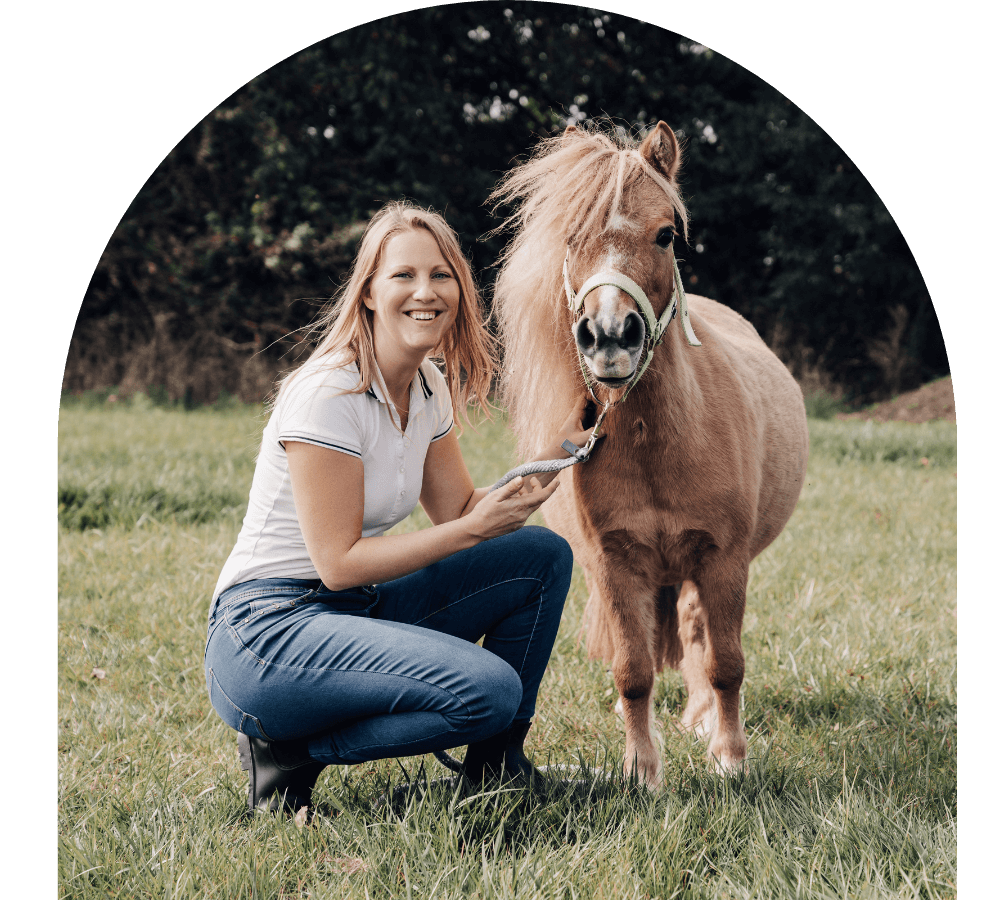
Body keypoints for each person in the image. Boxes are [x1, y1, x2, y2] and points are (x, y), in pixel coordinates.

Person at [204, 201, 598, 815]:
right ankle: (289, 751)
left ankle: (494, 771)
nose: (426, 292)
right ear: (367, 293)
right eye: (403, 276)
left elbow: (461, 508)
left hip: (355, 611)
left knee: (540, 556)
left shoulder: (426, 384)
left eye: (442, 276)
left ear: (461, 290)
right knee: (488, 691)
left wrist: (554, 451)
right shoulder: (328, 393)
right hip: (267, 634)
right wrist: (470, 531)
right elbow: (337, 563)